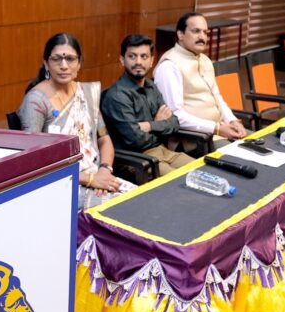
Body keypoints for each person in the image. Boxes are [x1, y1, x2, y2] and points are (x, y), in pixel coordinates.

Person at [17, 33, 134, 209]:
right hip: (61, 184)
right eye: (57, 59)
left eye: (70, 59)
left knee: (140, 198)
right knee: (122, 208)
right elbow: (33, 162)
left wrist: (104, 170)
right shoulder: (36, 101)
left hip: (98, 175)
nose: (64, 66)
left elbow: (104, 139)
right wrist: (90, 179)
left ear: (79, 63)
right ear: (46, 63)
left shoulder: (86, 94)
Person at [101, 34, 193, 175]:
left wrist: (150, 125)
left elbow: (174, 123)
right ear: (122, 60)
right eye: (132, 56)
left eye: (144, 57)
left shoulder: (151, 86)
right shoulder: (117, 95)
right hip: (137, 160)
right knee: (181, 180)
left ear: (151, 61)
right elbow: (137, 140)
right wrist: (160, 126)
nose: (138, 62)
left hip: (163, 151)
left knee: (202, 171)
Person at [154, 12, 247, 145]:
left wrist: (232, 121)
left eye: (205, 32)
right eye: (196, 31)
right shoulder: (169, 65)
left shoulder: (205, 60)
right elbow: (175, 115)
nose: (202, 37)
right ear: (180, 34)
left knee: (259, 145)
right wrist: (217, 128)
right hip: (195, 140)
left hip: (220, 131)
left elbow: (216, 97)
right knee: (246, 153)